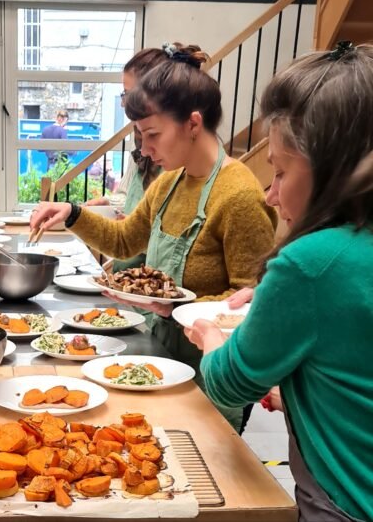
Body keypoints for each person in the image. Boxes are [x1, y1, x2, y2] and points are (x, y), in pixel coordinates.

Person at [30, 42, 277, 432]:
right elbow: (126, 241)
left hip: (212, 375)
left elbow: (250, 305)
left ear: (193, 124)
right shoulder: (169, 182)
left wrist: (175, 305)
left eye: (152, 135)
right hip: (162, 357)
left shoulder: (239, 196)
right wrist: (72, 213)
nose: (145, 148)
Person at [185, 42, 373, 521]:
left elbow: (228, 384)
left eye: (281, 172)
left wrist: (212, 335)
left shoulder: (309, 263)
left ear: (333, 171)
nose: (270, 195)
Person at [86, 48, 168, 270]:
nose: (124, 104)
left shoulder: (173, 164)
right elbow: (130, 198)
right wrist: (109, 205)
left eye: (128, 95)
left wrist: (134, 233)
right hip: (130, 271)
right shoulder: (141, 142)